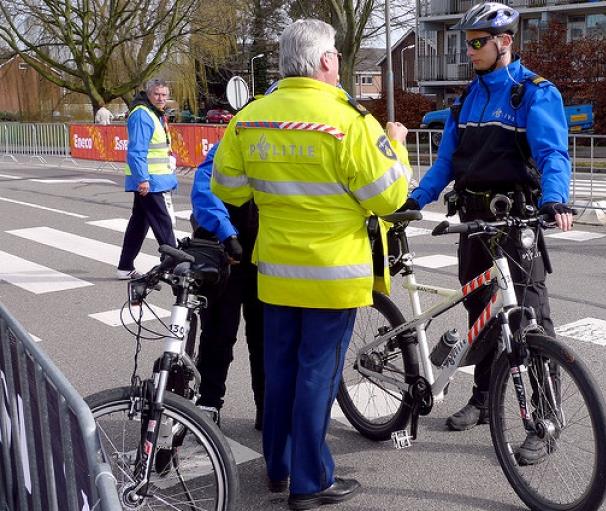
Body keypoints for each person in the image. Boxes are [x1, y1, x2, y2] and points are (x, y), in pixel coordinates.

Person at [211, 19, 410, 510]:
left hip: (276, 272)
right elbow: (388, 197)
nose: (339, 62)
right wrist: (398, 147)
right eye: (338, 55)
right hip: (333, 276)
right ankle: (311, 482)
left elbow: (228, 189)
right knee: (317, 376)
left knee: (279, 372)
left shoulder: (252, 118)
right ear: (325, 61)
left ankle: (276, 469)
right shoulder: (350, 121)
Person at [400, 2, 573, 465]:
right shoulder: (466, 98)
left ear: (505, 42)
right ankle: (483, 398)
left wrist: (554, 197)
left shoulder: (532, 93)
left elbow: (554, 153)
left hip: (516, 223)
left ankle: (544, 419)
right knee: (481, 313)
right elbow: (445, 164)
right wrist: (416, 199)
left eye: (478, 42)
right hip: (473, 221)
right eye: (466, 42)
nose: (470, 50)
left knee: (529, 318)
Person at [190, 143, 265, 429]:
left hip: (266, 256)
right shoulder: (235, 138)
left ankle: (266, 407)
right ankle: (209, 403)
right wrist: (227, 233)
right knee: (219, 335)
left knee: (265, 338)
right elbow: (205, 188)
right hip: (226, 254)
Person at [117, 78, 178, 279]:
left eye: (164, 95)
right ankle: (174, 266)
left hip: (153, 178)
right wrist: (142, 179)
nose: (161, 98)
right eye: (156, 94)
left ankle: (125, 267)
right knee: (163, 223)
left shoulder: (152, 113)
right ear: (148, 94)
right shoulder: (143, 115)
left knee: (139, 223)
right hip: (150, 181)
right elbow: (137, 151)